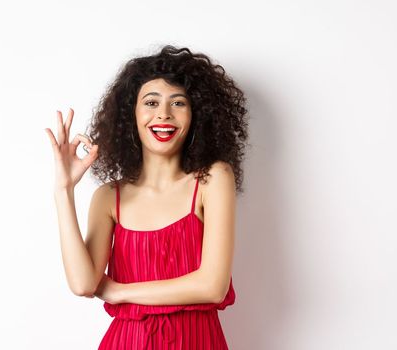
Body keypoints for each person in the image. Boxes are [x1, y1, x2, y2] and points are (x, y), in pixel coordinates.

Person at [43, 45, 249, 349]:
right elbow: (84, 283)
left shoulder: (212, 179)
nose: (163, 114)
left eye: (178, 103)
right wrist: (64, 190)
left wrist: (121, 291)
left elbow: (212, 287)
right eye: (151, 102)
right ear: (132, 115)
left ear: (196, 115)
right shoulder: (108, 198)